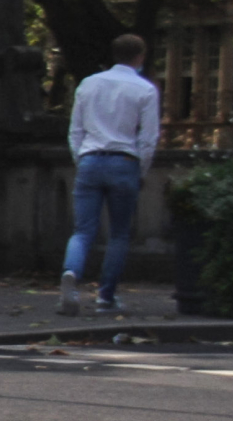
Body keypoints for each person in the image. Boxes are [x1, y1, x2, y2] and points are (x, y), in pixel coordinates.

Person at [61, 33, 161, 315]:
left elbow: (75, 129)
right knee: (118, 234)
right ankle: (106, 296)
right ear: (139, 57)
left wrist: (81, 158)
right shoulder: (145, 90)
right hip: (124, 160)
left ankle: (71, 272)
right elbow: (148, 137)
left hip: (91, 159)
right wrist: (140, 168)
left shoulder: (89, 84)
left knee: (82, 231)